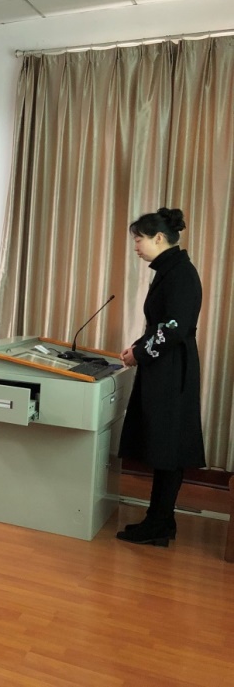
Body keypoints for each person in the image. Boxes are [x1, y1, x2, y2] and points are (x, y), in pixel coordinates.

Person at [116, 207, 204, 547]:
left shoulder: (180, 273)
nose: (136, 246)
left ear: (158, 238)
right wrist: (138, 346)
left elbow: (173, 328)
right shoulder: (171, 269)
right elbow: (162, 325)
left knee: (167, 444)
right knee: (163, 443)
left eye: (139, 239)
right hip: (166, 364)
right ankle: (161, 520)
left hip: (172, 367)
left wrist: (140, 353)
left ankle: (158, 523)